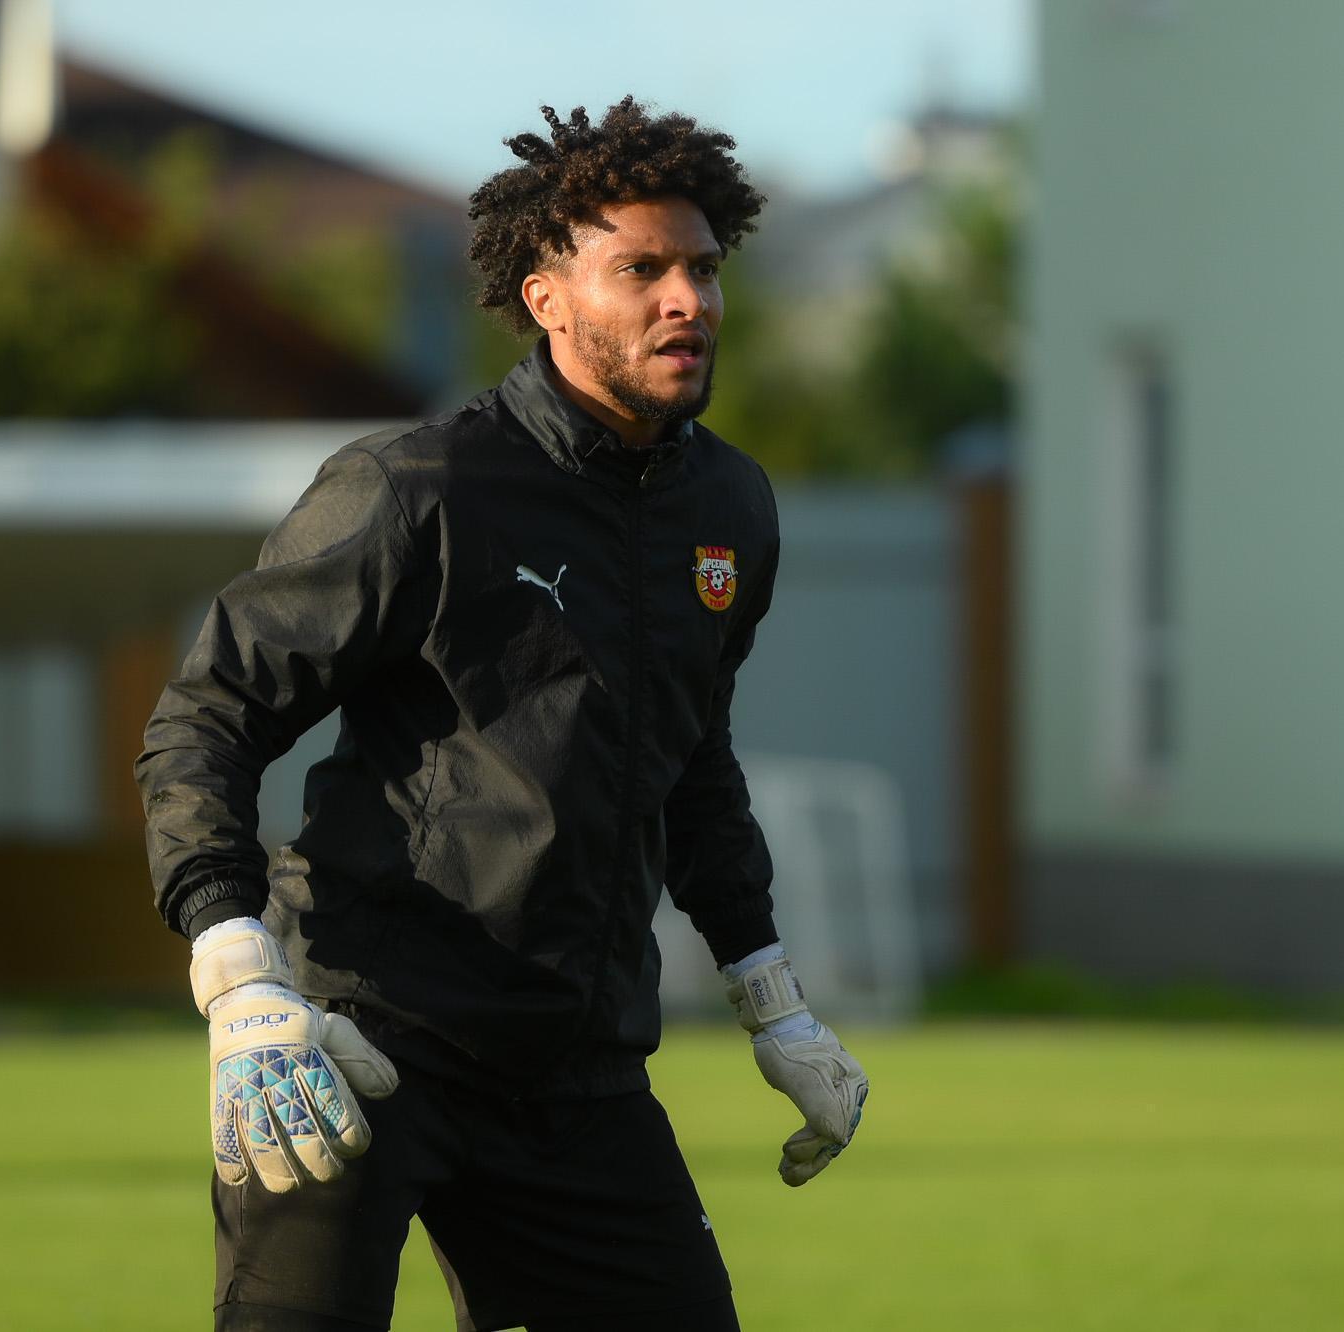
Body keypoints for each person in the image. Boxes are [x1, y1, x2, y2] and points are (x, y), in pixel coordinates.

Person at [136, 96, 869, 1332]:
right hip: (359, 1042)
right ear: (546, 299)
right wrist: (235, 969)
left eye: (700, 268)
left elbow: (691, 761)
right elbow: (206, 716)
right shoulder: (416, 486)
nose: (685, 300)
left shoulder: (730, 507)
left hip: (578, 1073)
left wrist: (768, 992)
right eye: (640, 270)